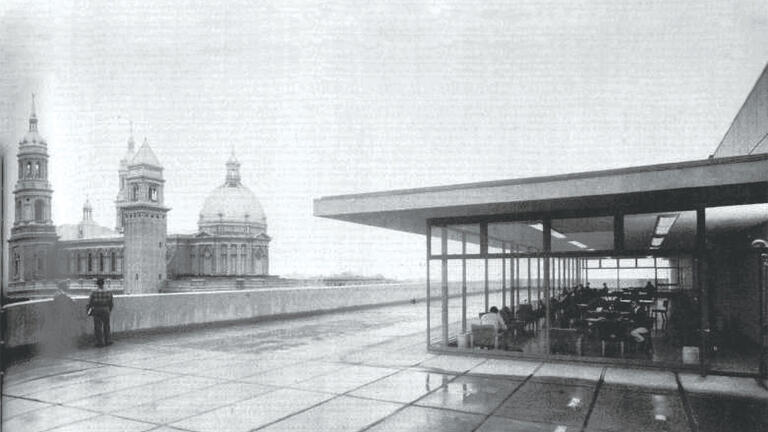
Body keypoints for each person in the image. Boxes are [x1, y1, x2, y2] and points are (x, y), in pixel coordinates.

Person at [87, 278, 113, 347]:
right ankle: (108, 341)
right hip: (106, 308)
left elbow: (90, 302)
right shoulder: (108, 291)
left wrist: (89, 310)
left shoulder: (93, 291)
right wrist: (109, 309)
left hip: (97, 309)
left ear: (97, 284)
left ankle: (100, 342)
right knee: (106, 325)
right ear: (103, 283)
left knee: (98, 326)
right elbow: (111, 302)